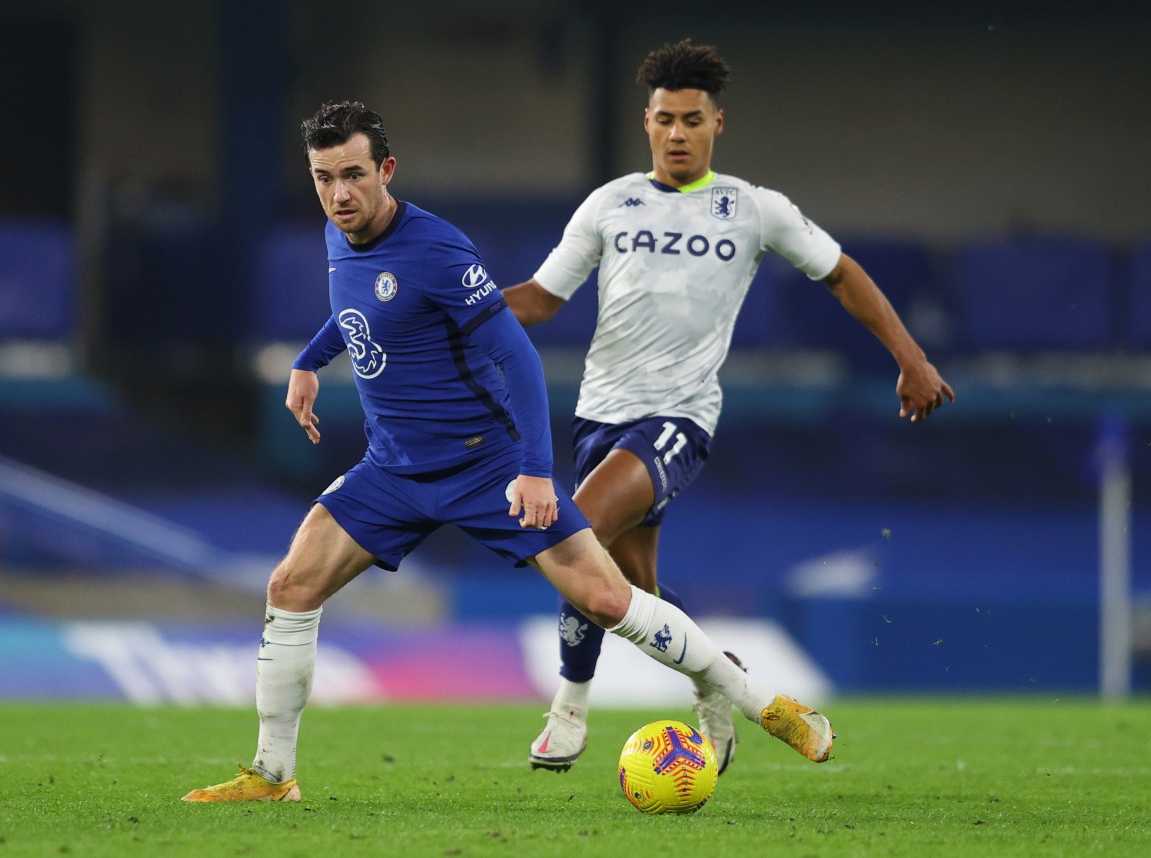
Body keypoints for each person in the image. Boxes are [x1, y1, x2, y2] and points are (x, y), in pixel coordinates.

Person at [182, 100, 834, 803]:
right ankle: (273, 775)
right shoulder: (338, 232)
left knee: (607, 598)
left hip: (483, 465)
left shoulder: (437, 250)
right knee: (290, 586)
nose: (339, 193)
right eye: (323, 178)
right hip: (392, 468)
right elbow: (360, 307)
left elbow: (516, 355)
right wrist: (310, 360)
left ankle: (761, 702)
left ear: (386, 170)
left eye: (353, 175)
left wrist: (534, 471)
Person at [503, 39, 953, 774]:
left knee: (572, 536)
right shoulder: (611, 203)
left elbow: (843, 274)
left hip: (678, 418)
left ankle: (571, 710)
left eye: (692, 119)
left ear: (718, 123)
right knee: (633, 591)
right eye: (664, 119)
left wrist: (912, 358)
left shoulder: (754, 209)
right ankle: (718, 676)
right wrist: (456, 310)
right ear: (646, 123)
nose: (677, 133)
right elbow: (540, 300)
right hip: (599, 417)